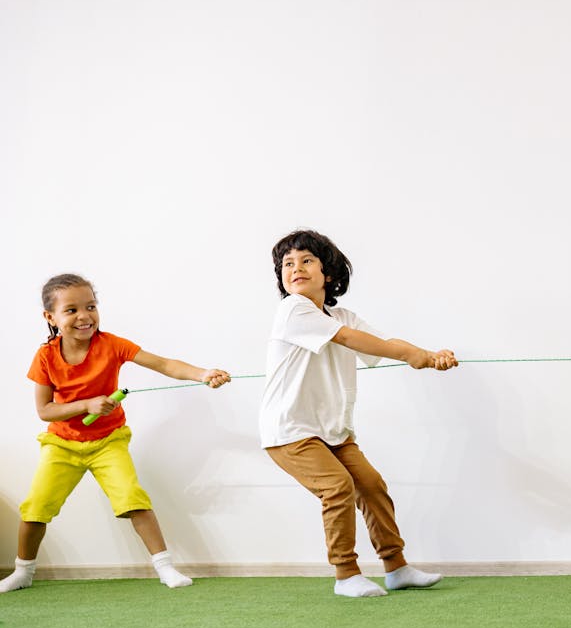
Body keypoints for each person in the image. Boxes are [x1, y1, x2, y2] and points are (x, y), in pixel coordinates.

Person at [0, 274, 230, 593]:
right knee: (36, 507)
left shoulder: (112, 345)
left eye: (90, 306)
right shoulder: (45, 357)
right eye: (71, 310)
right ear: (49, 317)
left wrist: (203, 374)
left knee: (132, 499)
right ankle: (23, 572)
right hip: (62, 444)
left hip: (108, 441)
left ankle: (165, 568)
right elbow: (45, 411)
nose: (84, 316)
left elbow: (163, 364)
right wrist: (87, 405)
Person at [260, 229, 458, 598]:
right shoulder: (293, 310)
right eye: (287, 264)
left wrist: (428, 355)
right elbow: (349, 340)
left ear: (329, 273)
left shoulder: (342, 314)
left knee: (371, 485)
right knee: (338, 488)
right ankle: (346, 575)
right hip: (290, 431)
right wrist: (414, 356)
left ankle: (396, 568)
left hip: (332, 431)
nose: (295, 268)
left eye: (306, 260)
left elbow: (381, 345)